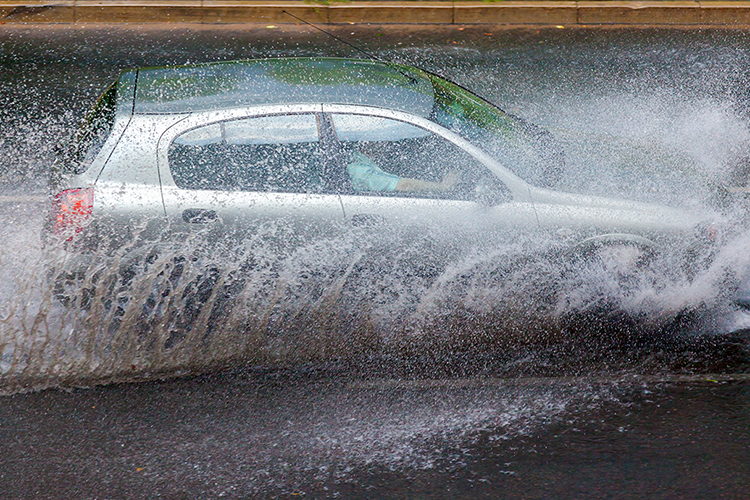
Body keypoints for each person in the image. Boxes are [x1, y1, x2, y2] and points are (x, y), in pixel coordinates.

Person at [346, 145, 459, 193]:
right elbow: (402, 185)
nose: (386, 144)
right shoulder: (359, 170)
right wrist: (441, 187)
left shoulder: (354, 155)